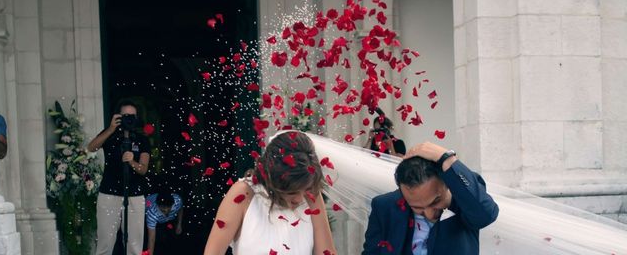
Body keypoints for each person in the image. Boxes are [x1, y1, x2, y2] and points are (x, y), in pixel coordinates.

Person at [204, 131, 337, 255]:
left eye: (306, 190)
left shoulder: (311, 194)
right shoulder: (243, 193)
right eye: (292, 192)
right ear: (274, 179)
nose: (300, 198)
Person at [362, 141, 499, 254]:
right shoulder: (384, 206)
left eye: (436, 201)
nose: (429, 214)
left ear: (446, 183)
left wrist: (447, 159)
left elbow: (486, 215)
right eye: (417, 207)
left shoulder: (465, 199)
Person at [87, 100, 150, 255]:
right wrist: (110, 129)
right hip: (109, 193)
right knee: (105, 242)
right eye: (125, 115)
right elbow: (91, 148)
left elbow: (143, 169)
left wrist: (132, 162)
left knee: (134, 243)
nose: (129, 119)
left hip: (135, 194)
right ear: (118, 116)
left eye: (132, 116)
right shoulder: (110, 134)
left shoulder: (141, 139)